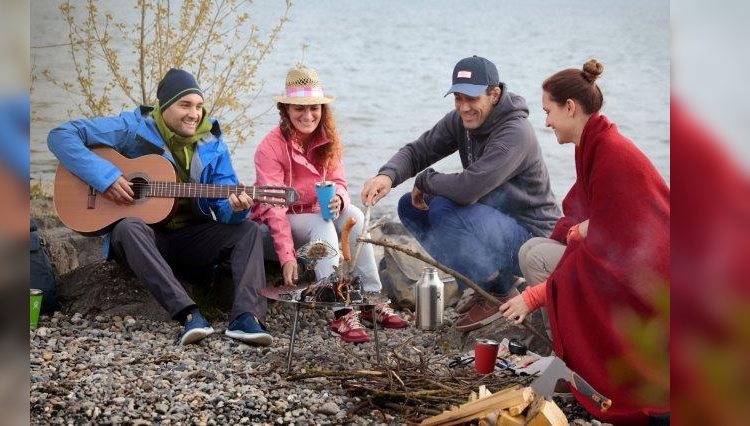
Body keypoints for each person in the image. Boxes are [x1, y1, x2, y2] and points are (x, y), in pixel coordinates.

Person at [47, 68, 272, 346]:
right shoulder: (133, 129)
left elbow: (223, 208)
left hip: (191, 239)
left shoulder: (212, 144)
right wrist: (105, 179)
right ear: (164, 106)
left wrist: (237, 209)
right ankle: (189, 315)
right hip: (144, 240)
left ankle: (246, 318)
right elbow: (61, 135)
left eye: (199, 106)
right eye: (185, 105)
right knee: (128, 227)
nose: (194, 114)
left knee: (248, 230)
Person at [499, 60, 670, 425]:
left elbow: (617, 241)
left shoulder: (612, 153)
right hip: (627, 262)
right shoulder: (592, 144)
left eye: (549, 111)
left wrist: (535, 295)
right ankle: (567, 357)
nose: (545, 122)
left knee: (550, 259)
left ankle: (576, 367)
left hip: (650, 279)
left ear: (570, 108)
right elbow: (583, 214)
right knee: (536, 252)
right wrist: (575, 234)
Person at [361, 55, 560, 331]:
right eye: (458, 98)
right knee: (410, 206)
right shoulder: (463, 121)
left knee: (443, 207)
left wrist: (425, 179)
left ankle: (499, 293)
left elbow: (468, 189)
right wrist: (388, 175)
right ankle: (486, 286)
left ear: (494, 94)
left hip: (532, 242)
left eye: (472, 98)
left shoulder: (515, 133)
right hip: (494, 227)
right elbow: (420, 150)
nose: (464, 107)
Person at [252, 66, 408, 344]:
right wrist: (287, 256)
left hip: (318, 212)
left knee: (356, 216)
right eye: (299, 108)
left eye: (314, 107)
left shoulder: (328, 138)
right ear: (285, 109)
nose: (308, 115)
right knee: (321, 223)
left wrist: (340, 198)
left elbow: (339, 181)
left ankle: (371, 300)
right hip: (284, 219)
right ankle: (341, 312)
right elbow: (273, 208)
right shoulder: (270, 148)